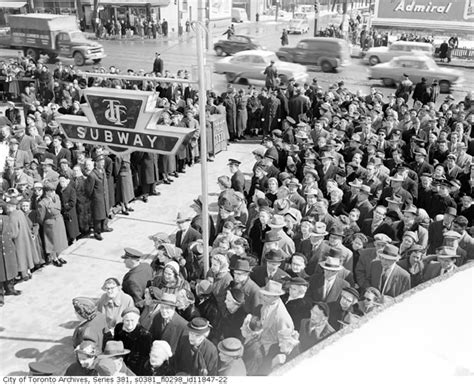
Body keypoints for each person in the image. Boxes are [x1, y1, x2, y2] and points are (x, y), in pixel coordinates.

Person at [114, 307, 152, 375]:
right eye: (127, 320)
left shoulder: (145, 335)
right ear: (123, 320)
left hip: (136, 369)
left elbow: (145, 359)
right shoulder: (118, 328)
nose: (130, 323)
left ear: (137, 320)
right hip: (120, 364)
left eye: (132, 320)